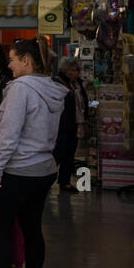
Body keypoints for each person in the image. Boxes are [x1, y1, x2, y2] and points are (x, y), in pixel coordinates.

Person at [0, 39, 65, 268]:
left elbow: (9, 132)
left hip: (18, 168)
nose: (8, 65)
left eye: (12, 60)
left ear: (26, 61)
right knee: (32, 227)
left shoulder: (20, 89)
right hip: (43, 168)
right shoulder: (54, 89)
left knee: (0, 226)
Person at [54, 58, 87, 191]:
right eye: (74, 70)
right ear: (66, 70)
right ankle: (47, 178)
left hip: (75, 124)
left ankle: (64, 181)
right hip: (61, 124)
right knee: (58, 152)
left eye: (78, 70)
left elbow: (83, 100)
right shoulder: (57, 83)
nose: (77, 73)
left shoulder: (77, 84)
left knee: (69, 154)